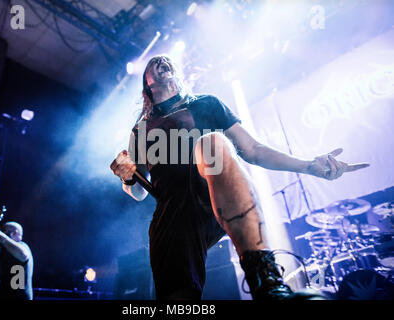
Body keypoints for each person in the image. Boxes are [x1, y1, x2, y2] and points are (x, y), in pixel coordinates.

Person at [110, 55, 369, 300]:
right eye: (154, 63)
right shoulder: (140, 129)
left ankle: (263, 278)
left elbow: (253, 150)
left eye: (166, 61)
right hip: (173, 219)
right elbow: (140, 191)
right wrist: (128, 178)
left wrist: (309, 165)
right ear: (147, 84)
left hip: (215, 199)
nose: (161, 61)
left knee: (211, 143)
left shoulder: (206, 104)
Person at [0, 221, 33, 300]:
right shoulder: (3, 250)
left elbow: (23, 255)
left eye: (4, 231)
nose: (1, 234)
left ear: (14, 233)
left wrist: (3, 238)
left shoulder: (22, 246)